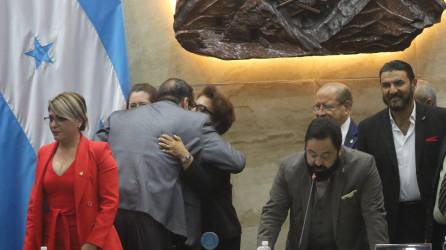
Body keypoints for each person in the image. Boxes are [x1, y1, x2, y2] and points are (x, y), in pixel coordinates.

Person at [96, 78, 245, 250]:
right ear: (185, 102)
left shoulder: (117, 118)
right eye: (195, 107)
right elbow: (237, 161)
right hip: (156, 215)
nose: (196, 112)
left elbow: (91, 152)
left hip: (114, 212)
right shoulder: (195, 122)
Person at [257, 117, 388, 250]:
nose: (318, 162)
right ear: (305, 147)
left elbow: (374, 215)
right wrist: (264, 246)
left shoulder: (363, 167)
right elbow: (273, 212)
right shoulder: (289, 169)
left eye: (325, 156)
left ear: (340, 150)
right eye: (312, 154)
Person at [357, 60, 446, 244]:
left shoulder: (440, 120)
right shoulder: (369, 128)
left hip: (433, 218)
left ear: (413, 84)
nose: (392, 90)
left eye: (399, 83)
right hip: (390, 221)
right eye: (386, 85)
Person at [23, 92, 121, 250]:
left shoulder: (99, 151)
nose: (53, 125)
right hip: (54, 238)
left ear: (79, 121)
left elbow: (110, 203)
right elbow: (34, 206)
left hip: (91, 239)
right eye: (51, 118)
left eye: (61, 118)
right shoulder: (44, 152)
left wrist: (92, 243)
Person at [159, 85, 242, 250]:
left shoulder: (215, 148)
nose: (194, 111)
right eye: (194, 106)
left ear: (215, 121)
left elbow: (206, 187)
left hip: (218, 233)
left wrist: (185, 156)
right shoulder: (184, 140)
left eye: (202, 109)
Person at [313, 82, 358, 148]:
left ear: (346, 107)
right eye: (317, 106)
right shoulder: (313, 136)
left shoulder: (362, 136)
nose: (320, 113)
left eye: (327, 107)